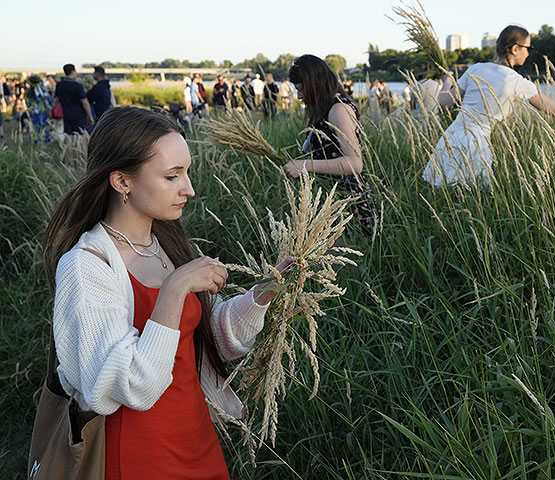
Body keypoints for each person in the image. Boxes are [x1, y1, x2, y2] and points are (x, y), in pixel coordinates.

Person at [43, 106, 297, 479]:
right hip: (137, 451)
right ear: (121, 181)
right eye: (172, 176)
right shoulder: (86, 266)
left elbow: (208, 338)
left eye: (187, 172)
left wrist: (262, 294)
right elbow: (134, 386)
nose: (189, 188)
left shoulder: (166, 242)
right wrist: (175, 290)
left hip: (195, 434)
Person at [422, 25, 555, 186]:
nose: (529, 53)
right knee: (474, 197)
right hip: (476, 143)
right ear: (515, 49)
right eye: (528, 48)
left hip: (451, 136)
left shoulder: (475, 69)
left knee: (445, 193)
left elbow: (443, 104)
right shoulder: (517, 82)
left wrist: (448, 80)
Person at [283, 54, 377, 235]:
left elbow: (355, 163)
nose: (299, 96)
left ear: (315, 85)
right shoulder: (328, 108)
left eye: (302, 89)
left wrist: (304, 165)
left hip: (349, 203)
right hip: (335, 201)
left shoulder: (339, 109)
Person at [55, 64, 94, 134]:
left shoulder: (59, 85)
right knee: (81, 135)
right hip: (78, 115)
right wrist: (90, 116)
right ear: (73, 71)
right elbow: (85, 102)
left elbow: (57, 99)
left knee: (69, 135)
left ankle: (69, 145)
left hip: (66, 114)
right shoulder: (77, 86)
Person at [25, 75, 53, 144]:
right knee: (44, 124)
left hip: (32, 111)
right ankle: (46, 138)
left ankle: (35, 139)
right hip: (42, 110)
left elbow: (27, 103)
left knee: (35, 124)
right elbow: (49, 100)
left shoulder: (28, 93)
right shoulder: (42, 91)